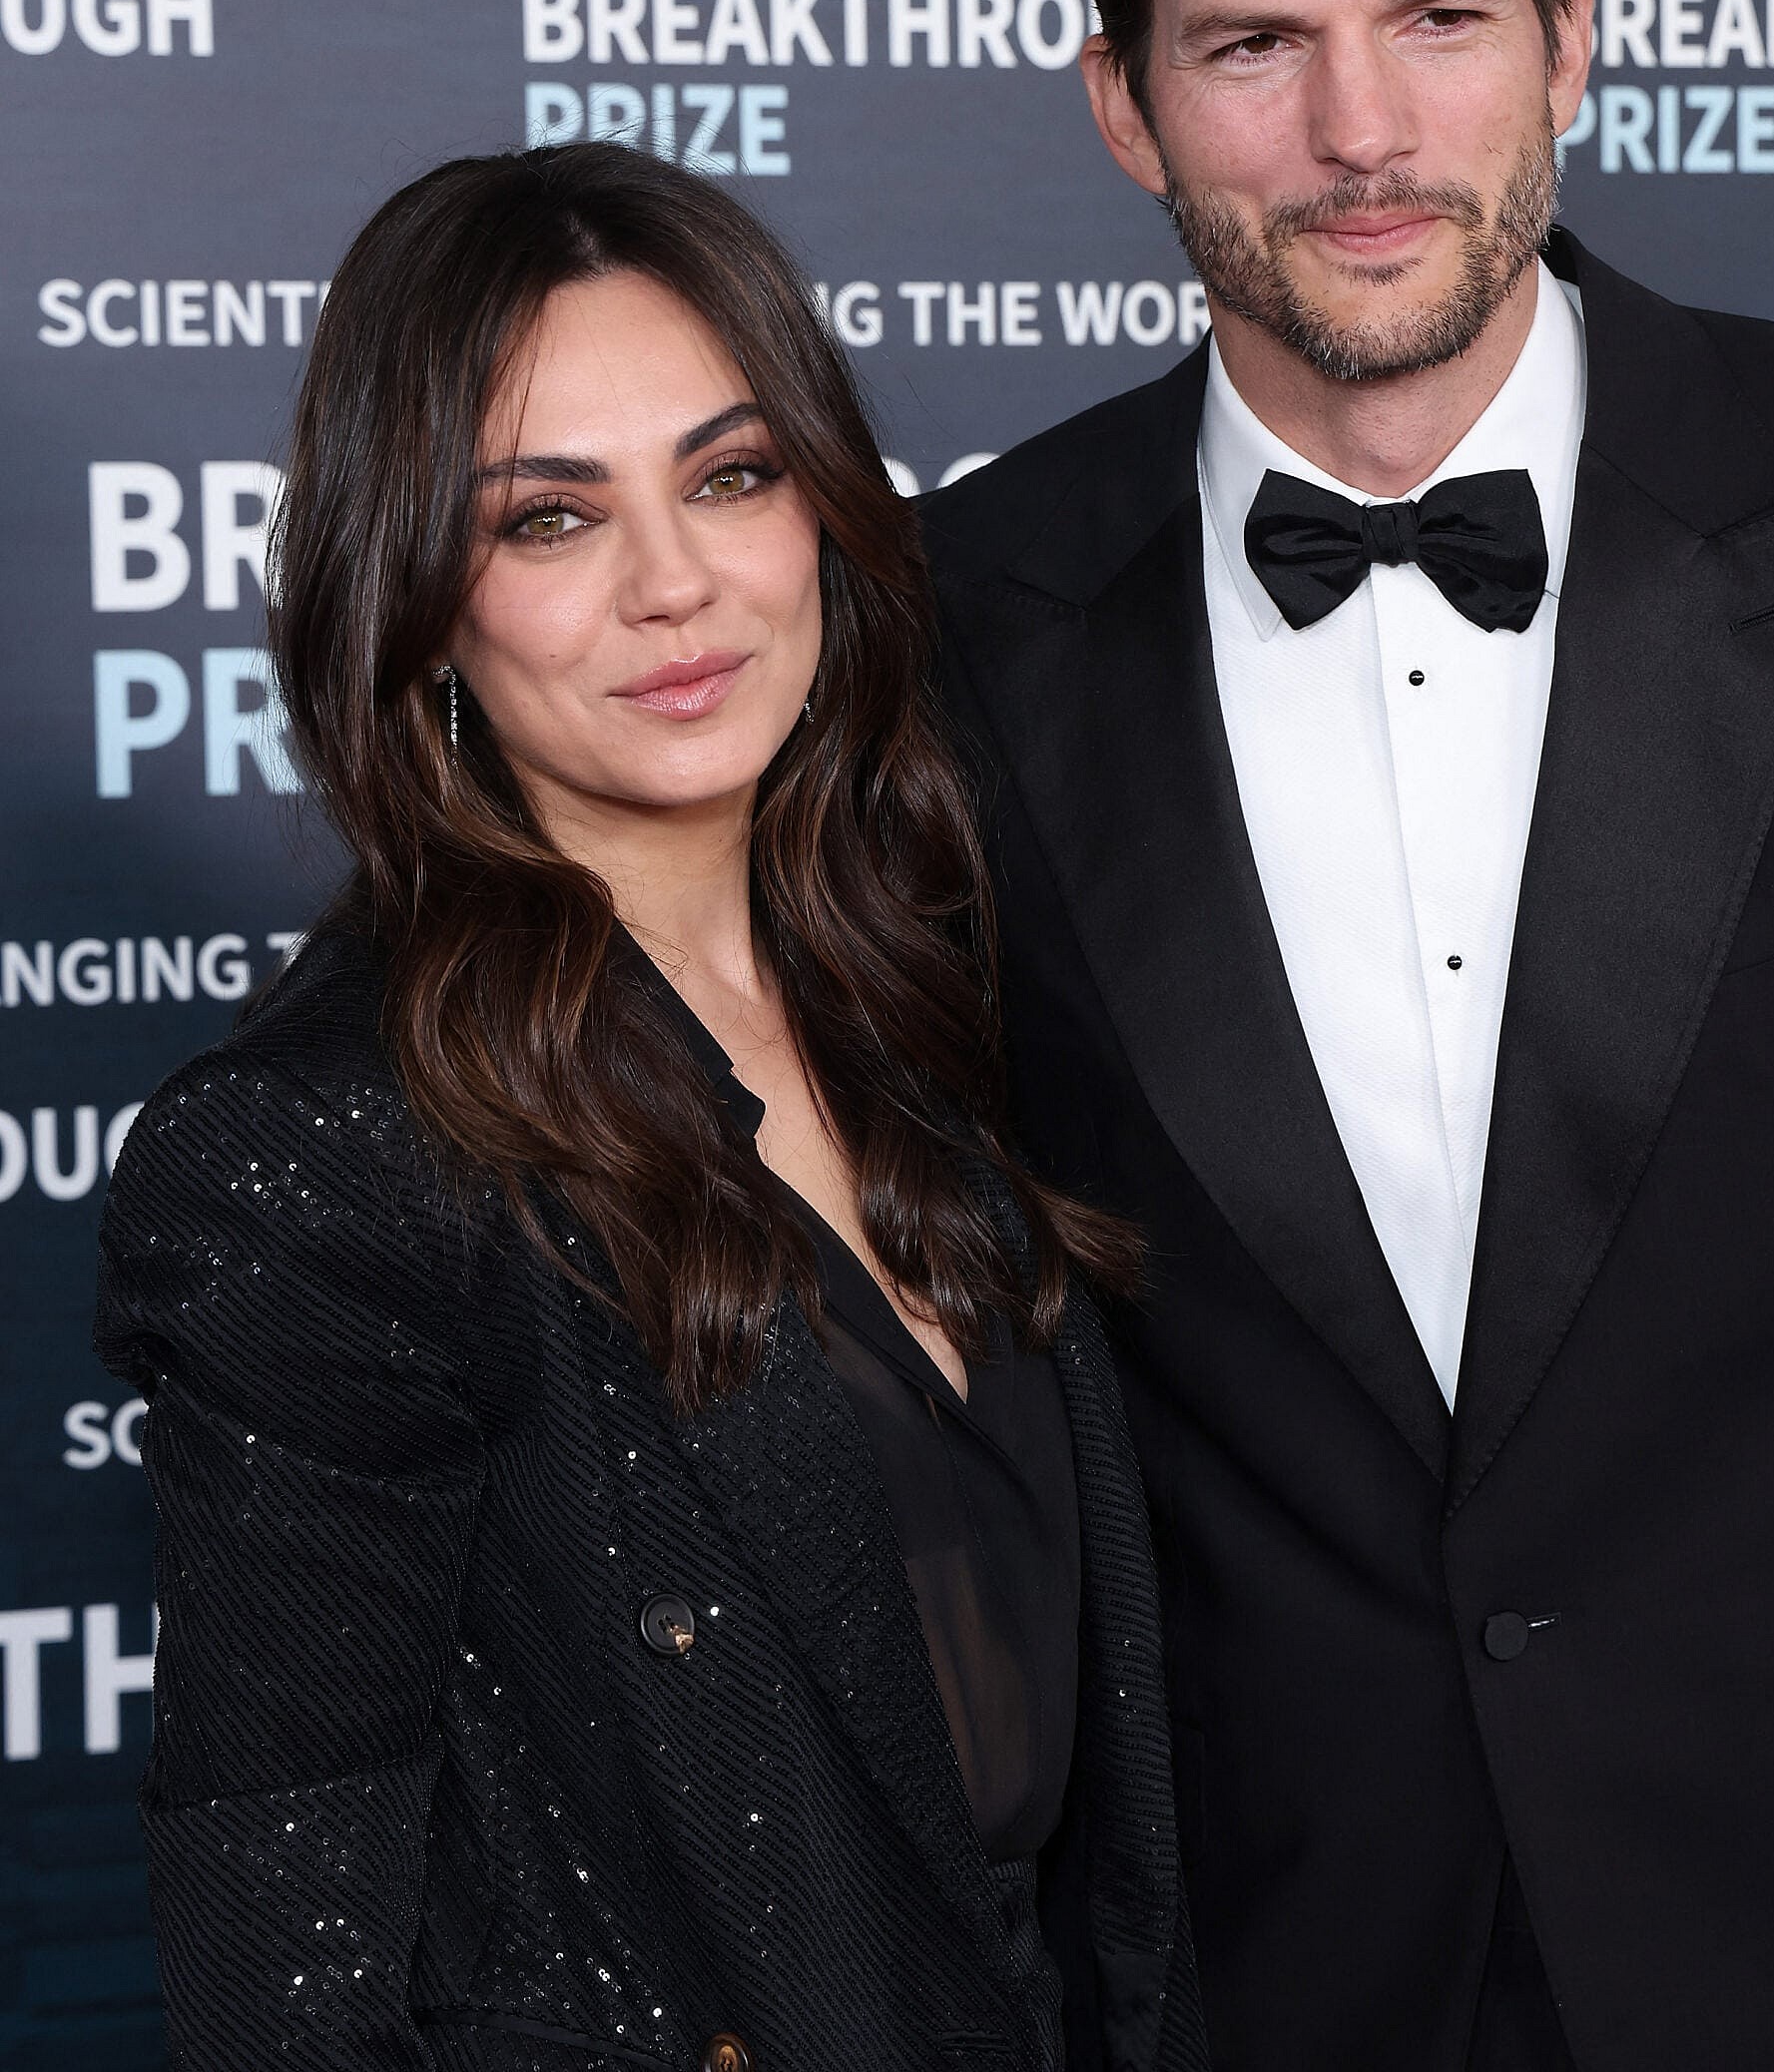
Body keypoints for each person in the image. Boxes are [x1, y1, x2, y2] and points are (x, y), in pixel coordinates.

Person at [920, 0, 1774, 2072]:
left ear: (1566, 32)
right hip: (1265, 1968)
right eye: (1250, 47)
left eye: (1434, 14)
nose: (1360, 129)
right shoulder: (953, 623)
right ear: (1122, 108)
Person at [95, 143, 1205, 2072]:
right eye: (547, 519)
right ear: (418, 602)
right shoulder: (326, 1157)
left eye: (731, 474)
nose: (673, 582)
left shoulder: (942, 992)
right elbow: (290, 1955)